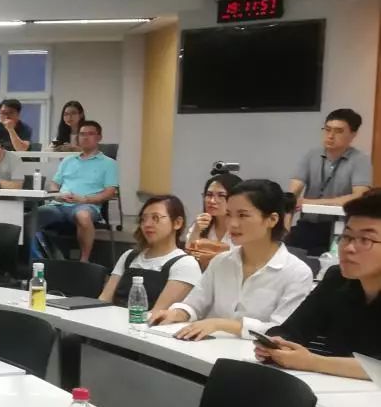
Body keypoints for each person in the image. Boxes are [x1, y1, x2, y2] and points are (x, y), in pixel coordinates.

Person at [149, 179, 314, 340]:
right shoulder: (221, 262)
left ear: (272, 219)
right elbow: (194, 304)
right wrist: (177, 313)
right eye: (228, 214)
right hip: (204, 350)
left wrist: (222, 324)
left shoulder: (297, 273)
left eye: (243, 215)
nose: (233, 224)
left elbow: (280, 331)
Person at [257, 189, 381, 379]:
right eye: (346, 236)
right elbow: (293, 329)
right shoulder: (337, 279)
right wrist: (277, 345)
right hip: (335, 389)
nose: (349, 248)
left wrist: (312, 362)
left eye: (365, 240)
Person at [287, 108, 373, 255]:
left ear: (353, 134)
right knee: (288, 251)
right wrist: (286, 221)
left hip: (341, 228)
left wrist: (311, 203)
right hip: (307, 224)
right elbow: (293, 193)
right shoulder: (312, 155)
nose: (330, 136)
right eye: (327, 130)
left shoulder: (360, 160)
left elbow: (359, 196)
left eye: (338, 131)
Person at [33, 120, 119, 261]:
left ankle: (83, 261)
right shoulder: (68, 160)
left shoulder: (109, 163)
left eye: (90, 134)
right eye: (82, 134)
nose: (85, 137)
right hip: (59, 204)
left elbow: (109, 192)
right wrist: (57, 195)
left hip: (86, 205)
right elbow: (54, 183)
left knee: (83, 216)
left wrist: (84, 199)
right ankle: (38, 259)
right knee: (32, 216)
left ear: (99, 137)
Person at [100, 195, 200, 310]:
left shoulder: (185, 264)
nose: (147, 224)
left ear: (177, 223)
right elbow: (104, 299)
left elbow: (157, 314)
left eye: (155, 218)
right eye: (143, 219)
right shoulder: (129, 256)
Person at [185, 172, 242, 269]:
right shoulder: (200, 224)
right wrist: (196, 231)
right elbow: (188, 257)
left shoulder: (244, 227)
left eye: (221, 195)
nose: (212, 201)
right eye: (209, 194)